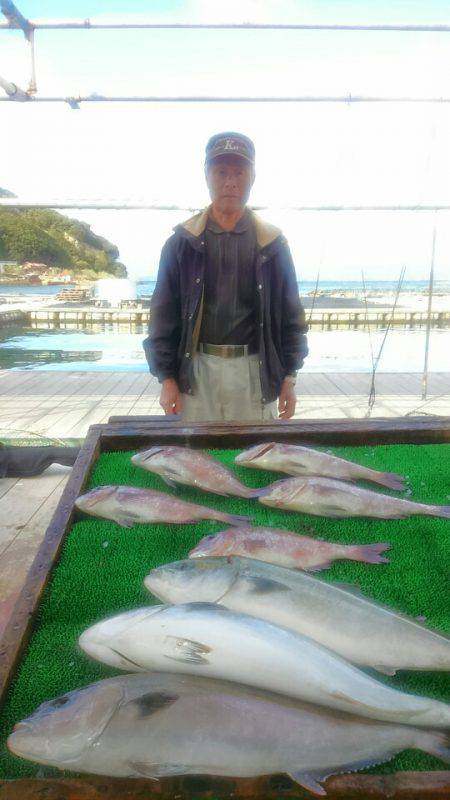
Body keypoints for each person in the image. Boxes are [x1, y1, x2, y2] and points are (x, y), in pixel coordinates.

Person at [143, 132, 308, 422]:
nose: (230, 181)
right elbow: (162, 315)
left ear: (252, 178)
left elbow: (291, 317)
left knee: (254, 457)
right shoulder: (181, 243)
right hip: (196, 372)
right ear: (206, 176)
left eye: (239, 172)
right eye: (221, 172)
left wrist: (289, 378)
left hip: (254, 370)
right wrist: (166, 378)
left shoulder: (273, 245)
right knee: (198, 458)